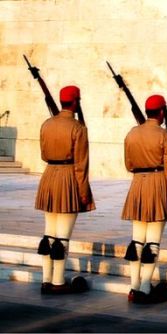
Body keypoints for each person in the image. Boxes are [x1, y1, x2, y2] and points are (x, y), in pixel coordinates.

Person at [35, 85, 94, 294]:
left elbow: (43, 154)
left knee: (49, 234)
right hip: (68, 177)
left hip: (49, 175)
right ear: (76, 102)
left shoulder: (46, 124)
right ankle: (59, 282)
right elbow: (81, 164)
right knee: (62, 237)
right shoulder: (78, 128)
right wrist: (84, 191)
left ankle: (46, 279)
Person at [122, 95, 167, 304]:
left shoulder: (132, 133)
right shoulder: (165, 136)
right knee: (152, 242)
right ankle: (146, 288)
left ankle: (133, 286)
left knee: (137, 240)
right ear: (162, 112)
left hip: (137, 184)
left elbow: (128, 164)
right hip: (157, 184)